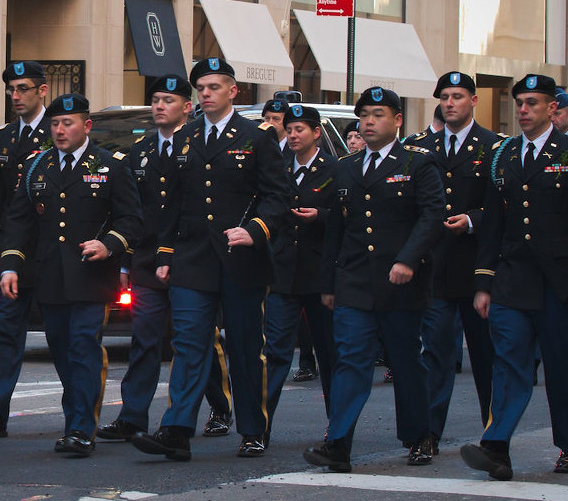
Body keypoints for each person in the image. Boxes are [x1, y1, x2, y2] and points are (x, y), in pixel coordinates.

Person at [133, 57, 289, 461]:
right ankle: (177, 430)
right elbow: (174, 204)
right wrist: (165, 253)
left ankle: (254, 429)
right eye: (200, 88)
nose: (205, 93)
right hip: (193, 257)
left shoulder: (256, 137)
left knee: (243, 345)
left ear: (233, 91)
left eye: (214, 87)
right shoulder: (186, 138)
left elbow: (278, 197)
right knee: (188, 343)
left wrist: (255, 230)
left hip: (240, 257)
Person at [461, 74, 568, 481]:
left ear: (552, 109)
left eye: (532, 103)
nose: (523, 110)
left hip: (559, 280)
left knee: (561, 366)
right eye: (519, 104)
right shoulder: (504, 155)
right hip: (512, 278)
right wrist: (483, 282)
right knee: (509, 365)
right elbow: (493, 223)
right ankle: (496, 447)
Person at [304, 87, 443, 473]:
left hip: (400, 280)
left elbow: (431, 217)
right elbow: (336, 228)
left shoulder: (418, 163)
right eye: (364, 115)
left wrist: (408, 260)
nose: (368, 122)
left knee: (405, 361)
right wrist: (329, 284)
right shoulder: (346, 167)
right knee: (349, 360)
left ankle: (419, 436)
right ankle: (338, 442)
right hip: (354, 280)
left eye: (378, 114)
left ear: (397, 120)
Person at [0, 93, 141, 456]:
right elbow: (18, 221)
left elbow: (132, 220)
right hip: (49, 277)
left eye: (68, 123)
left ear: (86, 126)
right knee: (62, 351)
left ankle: (80, 428)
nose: (60, 131)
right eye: (56, 124)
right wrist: (11, 264)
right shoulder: (37, 167)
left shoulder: (111, 165)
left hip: (91, 277)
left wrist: (109, 244)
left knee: (82, 347)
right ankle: (75, 419)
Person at [96, 75, 233, 441]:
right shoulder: (139, 153)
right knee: (145, 338)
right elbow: (128, 211)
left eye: (168, 100)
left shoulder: (200, 146)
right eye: (155, 99)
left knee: (196, 340)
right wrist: (125, 261)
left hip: (190, 258)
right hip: (145, 260)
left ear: (187, 107)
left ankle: (219, 407)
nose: (159, 106)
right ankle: (133, 415)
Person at [407, 72, 499, 453]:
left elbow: (502, 206)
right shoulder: (419, 147)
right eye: (444, 97)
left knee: (486, 357)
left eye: (458, 96)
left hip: (477, 266)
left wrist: (473, 220)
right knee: (436, 354)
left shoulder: (494, 146)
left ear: (474, 101)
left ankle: (494, 436)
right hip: (435, 267)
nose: (450, 103)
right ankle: (428, 434)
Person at [0, 60, 51, 439]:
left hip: (50, 251)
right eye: (11, 90)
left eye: (23, 89)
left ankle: (82, 414)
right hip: (13, 254)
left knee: (65, 337)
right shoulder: (5, 137)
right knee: (4, 331)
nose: (15, 96)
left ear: (42, 91)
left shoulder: (58, 130)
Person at [264, 104, 337, 435]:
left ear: (316, 133)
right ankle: (259, 428)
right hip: (282, 274)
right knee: (275, 352)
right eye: (289, 129)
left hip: (320, 274)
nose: (293, 135)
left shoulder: (334, 169)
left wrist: (321, 217)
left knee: (329, 355)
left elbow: (348, 217)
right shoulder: (277, 168)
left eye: (300, 130)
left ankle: (337, 426)